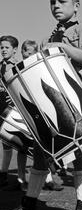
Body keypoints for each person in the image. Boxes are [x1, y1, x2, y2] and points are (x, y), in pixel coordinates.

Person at [3, 0, 82, 210]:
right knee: (42, 152)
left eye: (61, 1)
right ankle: (30, 205)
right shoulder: (47, 36)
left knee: (79, 154)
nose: (56, 6)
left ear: (76, 5)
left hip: (73, 100)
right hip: (48, 102)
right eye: (52, 3)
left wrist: (63, 48)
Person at [21, 40, 64, 192]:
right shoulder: (18, 71)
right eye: (26, 51)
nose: (29, 55)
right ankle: (38, 180)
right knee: (33, 148)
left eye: (32, 52)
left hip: (42, 114)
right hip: (28, 113)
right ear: (22, 52)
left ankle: (51, 177)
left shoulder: (39, 68)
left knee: (45, 147)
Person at [0, 35, 28, 192]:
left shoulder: (18, 66)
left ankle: (21, 178)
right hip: (3, 111)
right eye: (1, 47)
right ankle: (3, 175)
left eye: (7, 47)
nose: (3, 50)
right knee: (6, 144)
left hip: (18, 111)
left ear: (14, 49)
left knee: (22, 145)